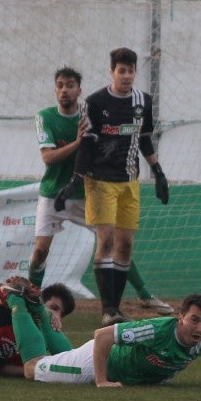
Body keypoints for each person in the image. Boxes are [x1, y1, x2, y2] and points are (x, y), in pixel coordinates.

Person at [30, 66, 172, 315]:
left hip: (87, 192)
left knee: (116, 242)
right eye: (60, 85)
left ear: (79, 90)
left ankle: (144, 295)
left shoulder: (92, 113)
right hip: (54, 193)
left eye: (70, 85)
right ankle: (31, 299)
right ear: (55, 90)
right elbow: (48, 158)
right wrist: (79, 142)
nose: (64, 90)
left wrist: (154, 170)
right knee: (41, 250)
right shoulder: (45, 116)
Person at [13, 292, 201, 388]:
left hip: (127, 375)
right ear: (180, 318)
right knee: (32, 369)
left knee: (64, 355)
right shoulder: (156, 330)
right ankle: (17, 300)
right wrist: (101, 381)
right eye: (194, 320)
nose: (200, 328)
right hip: (94, 364)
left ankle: (38, 310)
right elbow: (102, 335)